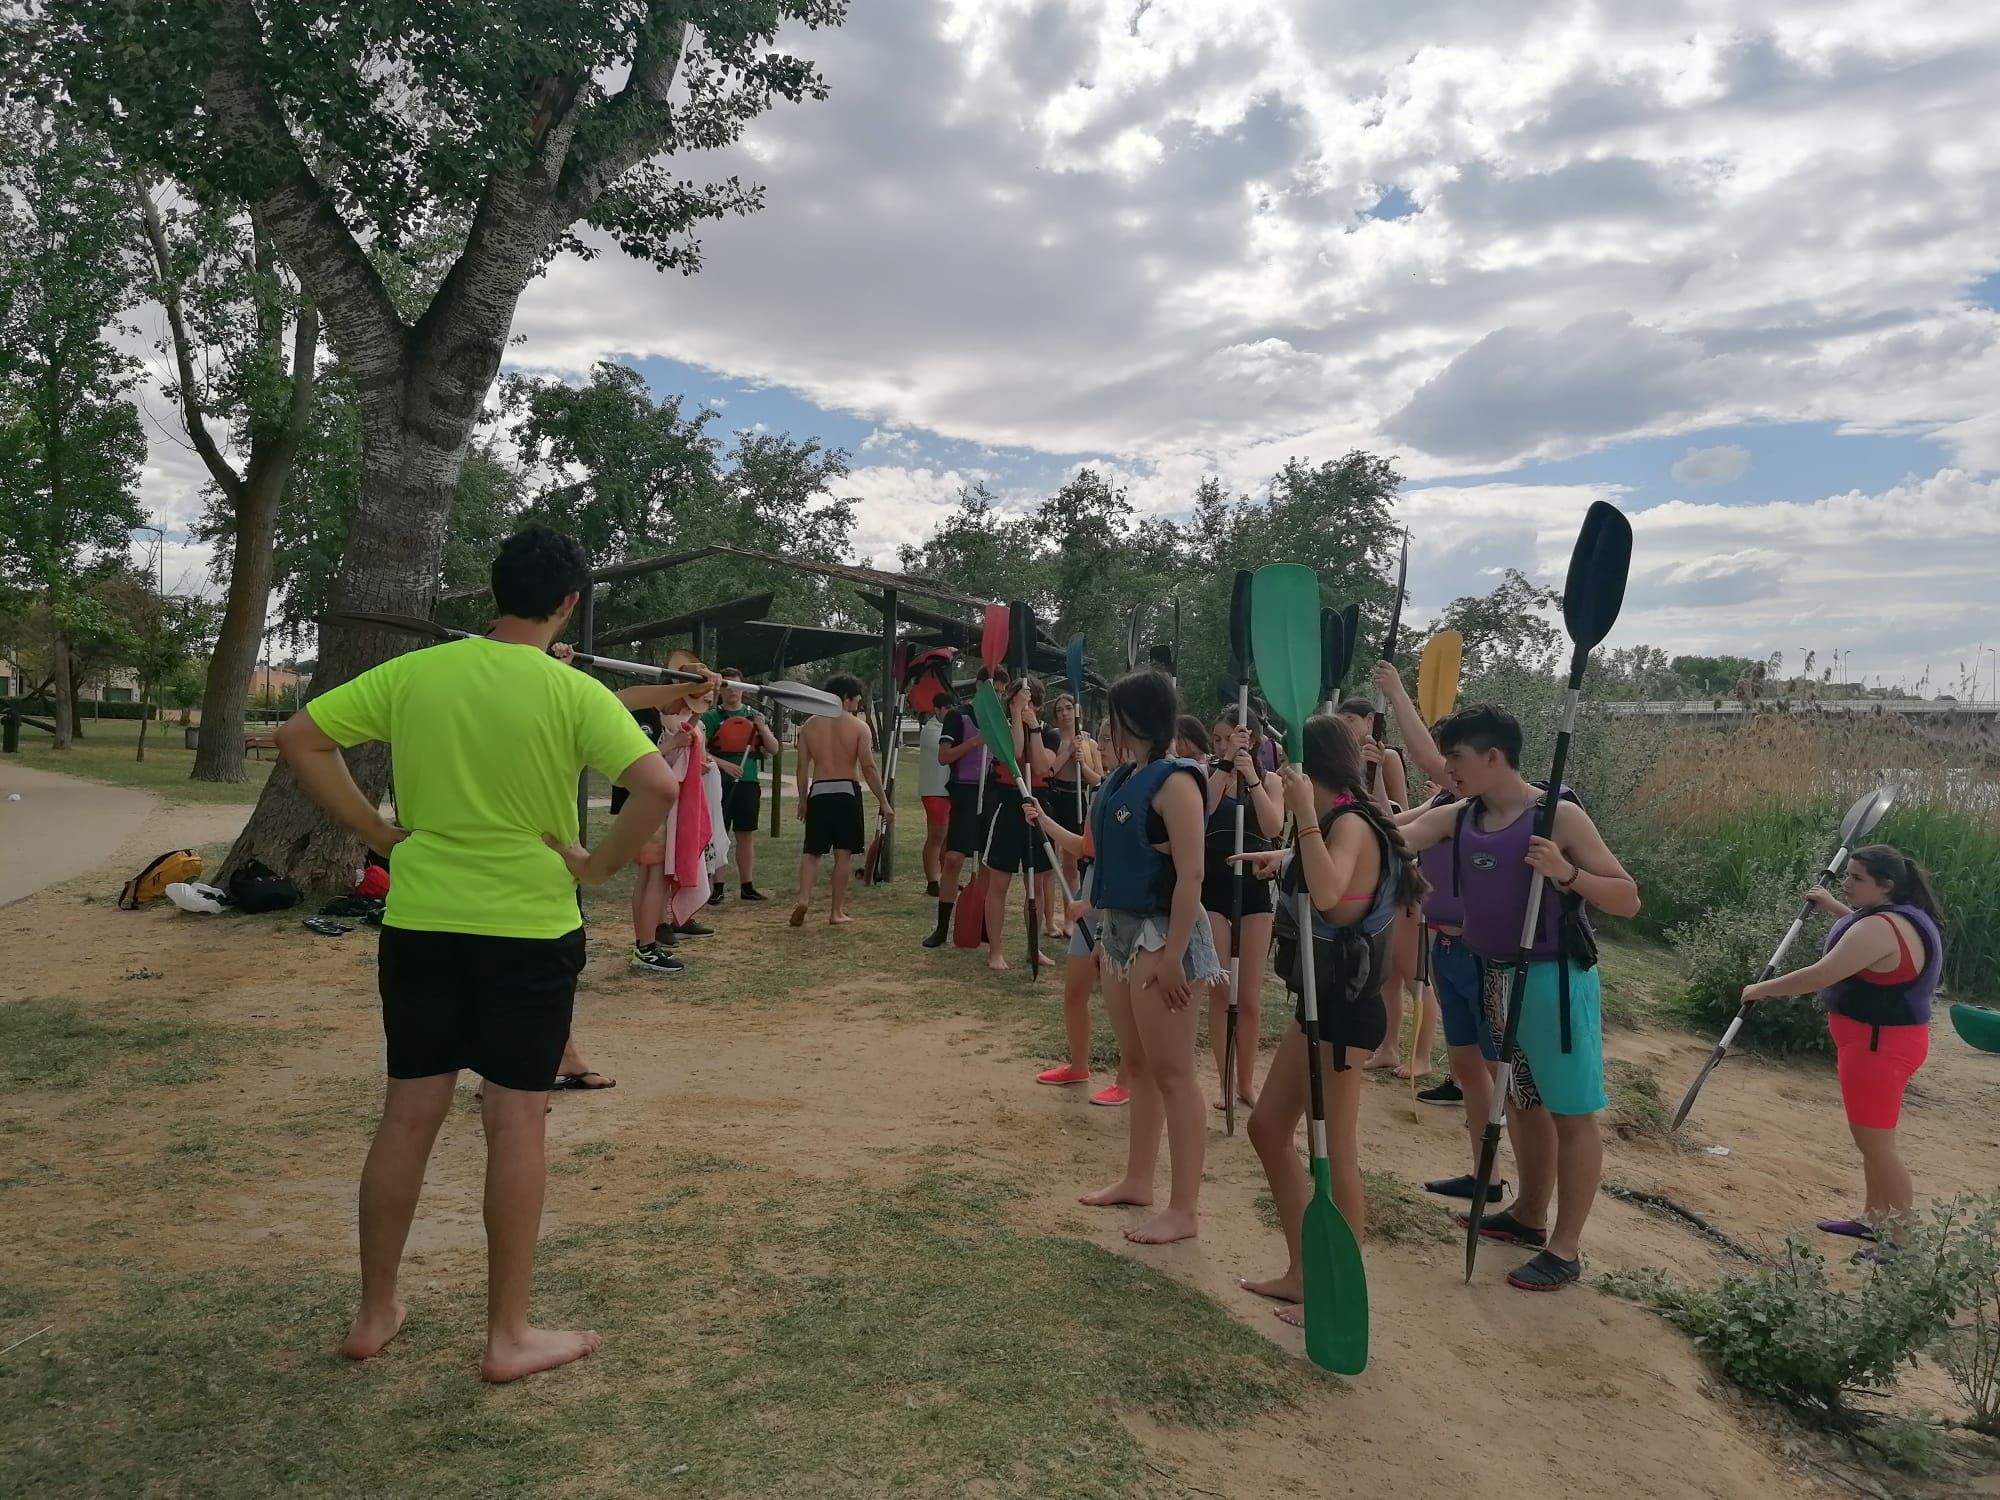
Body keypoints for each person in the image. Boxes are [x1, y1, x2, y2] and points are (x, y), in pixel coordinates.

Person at [276, 525, 676, 1382]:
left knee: (408, 1115)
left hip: (422, 924)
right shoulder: (570, 689)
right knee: (515, 1119)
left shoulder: (422, 672)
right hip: (528, 931)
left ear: (496, 591)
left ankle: (375, 1310)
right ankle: (507, 1335)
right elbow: (658, 785)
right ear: (569, 601)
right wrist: (597, 865)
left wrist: (377, 833)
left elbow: (300, 736)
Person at [1398, 703, 1641, 1291]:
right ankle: (1530, 1217)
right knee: (1523, 1104)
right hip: (1495, 978)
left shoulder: (1557, 818)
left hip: (1553, 983)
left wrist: (1566, 873)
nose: (1446, 770)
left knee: (1571, 1114)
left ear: (1491, 756)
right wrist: (1308, 840)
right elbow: (1398, 838)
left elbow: (1628, 898)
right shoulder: (1462, 815)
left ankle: (1566, 1248)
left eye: (1454, 758)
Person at [1234, 716, 1427, 1323]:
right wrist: (1284, 853)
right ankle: (1302, 1271)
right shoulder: (1344, 821)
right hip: (1318, 1006)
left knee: (1335, 1149)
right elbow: (1328, 876)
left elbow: (1328, 891)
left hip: (1344, 1012)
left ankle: (1335, 1290)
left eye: (1281, 763)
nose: (1273, 770)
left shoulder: (1344, 822)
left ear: (1304, 767)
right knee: (1266, 1129)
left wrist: (1303, 820)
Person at [1074, 670, 1223, 1244]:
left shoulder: (1177, 782)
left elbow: (1192, 874)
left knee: (1174, 1073)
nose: (1106, 727)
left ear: (1133, 718)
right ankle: (1138, 1179)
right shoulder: (1121, 777)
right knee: (1136, 1065)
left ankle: (1184, 1210)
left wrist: (1173, 957)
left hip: (1163, 938)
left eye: (1113, 715)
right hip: (1119, 934)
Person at [1739, 844, 1945, 1253]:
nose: (1847, 883)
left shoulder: (1880, 927)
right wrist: (1833, 906)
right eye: (1847, 875)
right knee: (1872, 1139)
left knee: (1877, 1145)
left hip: (1878, 1047)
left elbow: (1822, 974)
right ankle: (1873, 1218)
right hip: (1878, 1042)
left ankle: (1901, 1239)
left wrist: (1760, 990)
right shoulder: (1896, 915)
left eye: (1856, 879)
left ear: (1884, 887)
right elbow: (1866, 935)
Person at [1371, 663, 1495, 1192]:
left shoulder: (1486, 803)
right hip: (1448, 944)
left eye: (1456, 761)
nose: (1446, 769)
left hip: (1483, 951)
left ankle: (1502, 1179)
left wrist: (1397, 691)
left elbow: (1423, 755)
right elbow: (1390, 826)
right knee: (1468, 1071)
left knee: (1497, 1076)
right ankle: (1482, 1174)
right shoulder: (1448, 804)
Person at [1198, 707, 1283, 1113]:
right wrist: (1225, 764)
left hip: (1253, 895)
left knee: (1246, 998)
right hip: (1213, 891)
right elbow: (1203, 811)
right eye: (1216, 740)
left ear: (1251, 738)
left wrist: (1251, 776)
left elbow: (1271, 828)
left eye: (1227, 738)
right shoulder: (1206, 774)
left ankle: (1246, 1081)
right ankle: (1224, 1080)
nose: (1220, 745)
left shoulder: (1271, 781)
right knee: (1220, 992)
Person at [1023, 806, 1132, 1106]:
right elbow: (1087, 848)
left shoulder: (1142, 788)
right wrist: (1044, 820)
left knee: (1123, 1005)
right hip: (1092, 894)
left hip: (1119, 902)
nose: (1100, 755)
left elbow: (1135, 858)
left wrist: (1096, 900)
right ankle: (1078, 1066)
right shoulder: (1105, 791)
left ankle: (1127, 1079)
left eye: (1104, 752)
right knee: (1074, 992)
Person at [1334, 695, 1418, 1071]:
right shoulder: (1342, 758)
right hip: (1357, 865)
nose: (1346, 724)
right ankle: (1385, 1045)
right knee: (1379, 969)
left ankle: (1408, 1049)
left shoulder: (1390, 757)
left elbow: (1398, 816)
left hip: (1390, 868)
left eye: (1350, 718)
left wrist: (1378, 769)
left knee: (1402, 967)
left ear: (1369, 720)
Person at [790, 672, 891, 927]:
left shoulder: (810, 726)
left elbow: (802, 767)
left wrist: (803, 799)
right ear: (846, 698)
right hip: (846, 790)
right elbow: (868, 767)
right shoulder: (858, 727)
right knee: (842, 854)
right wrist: (884, 801)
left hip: (820, 791)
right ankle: (836, 912)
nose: (858, 704)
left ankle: (803, 899)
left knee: (812, 851)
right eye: (857, 699)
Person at [983, 675, 1056, 972]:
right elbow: (1013, 753)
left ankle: (1033, 948)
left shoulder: (1048, 734)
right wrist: (1014, 715)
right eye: (1015, 701)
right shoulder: (1001, 729)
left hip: (1037, 806)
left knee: (1036, 884)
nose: (1023, 705)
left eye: (1027, 701)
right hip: (1010, 805)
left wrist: (1033, 726)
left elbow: (1040, 766)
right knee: (998, 883)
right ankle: (996, 952)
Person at [922, 676, 993, 949]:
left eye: (999, 691)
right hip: (964, 793)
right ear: (979, 686)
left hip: (991, 795)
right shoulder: (957, 717)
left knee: (987, 864)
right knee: (953, 859)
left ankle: (983, 924)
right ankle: (942, 928)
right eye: (990, 688)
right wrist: (976, 742)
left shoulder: (1001, 719)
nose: (994, 695)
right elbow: (944, 756)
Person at [701, 670, 779, 902]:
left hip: (747, 783)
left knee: (745, 835)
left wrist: (763, 728)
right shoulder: (710, 718)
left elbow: (774, 749)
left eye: (736, 685)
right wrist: (723, 764)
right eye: (726, 685)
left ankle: (747, 886)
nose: (732, 690)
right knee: (718, 833)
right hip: (719, 783)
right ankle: (717, 887)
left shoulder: (755, 716)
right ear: (721, 689)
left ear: (744, 689)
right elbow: (699, 750)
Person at [1041, 692, 1101, 929]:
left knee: (1071, 864)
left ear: (1077, 712)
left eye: (1068, 708)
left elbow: (1098, 778)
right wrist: (1067, 753)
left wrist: (1082, 762)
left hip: (1076, 798)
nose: (1065, 713)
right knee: (1048, 864)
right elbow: (1048, 771)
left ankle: (1070, 917)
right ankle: (1048, 921)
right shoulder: (1052, 738)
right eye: (1059, 710)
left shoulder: (1090, 743)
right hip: (1053, 795)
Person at [917, 704, 951, 897]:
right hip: (935, 791)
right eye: (947, 708)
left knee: (946, 838)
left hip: (946, 790)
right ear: (937, 709)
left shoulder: (946, 728)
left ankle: (946, 878)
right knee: (936, 837)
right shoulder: (931, 731)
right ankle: (932, 880)